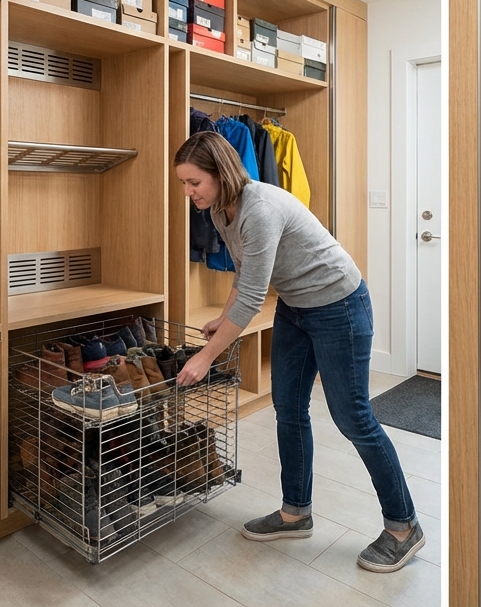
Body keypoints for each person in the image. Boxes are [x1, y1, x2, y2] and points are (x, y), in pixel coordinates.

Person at [173, 130, 424, 573]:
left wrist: (206, 355)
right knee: (287, 407)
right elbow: (245, 278)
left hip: (339, 306)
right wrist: (222, 317)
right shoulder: (218, 210)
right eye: (184, 184)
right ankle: (295, 513)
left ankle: (404, 526)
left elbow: (253, 299)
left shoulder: (261, 209)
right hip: (296, 306)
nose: (189, 192)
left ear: (220, 172)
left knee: (353, 417)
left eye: (194, 182)